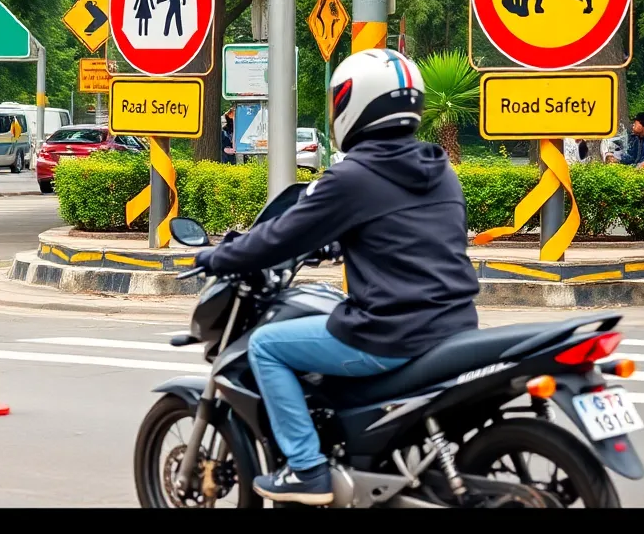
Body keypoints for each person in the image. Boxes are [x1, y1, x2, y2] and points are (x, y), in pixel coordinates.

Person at [193, 48, 481, 505]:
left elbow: (279, 238)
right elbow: (403, 235)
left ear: (356, 102)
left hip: (389, 331)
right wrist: (340, 240)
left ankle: (307, 470)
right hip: (454, 324)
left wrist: (220, 256)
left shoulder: (355, 176)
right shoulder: (438, 168)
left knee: (267, 346)